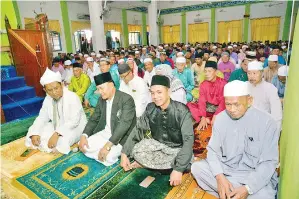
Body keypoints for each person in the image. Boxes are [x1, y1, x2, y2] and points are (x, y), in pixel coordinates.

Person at [191, 80, 279, 199]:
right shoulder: (221, 119)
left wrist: (247, 188)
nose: (232, 109)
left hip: (252, 175)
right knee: (197, 168)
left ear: (249, 101)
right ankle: (230, 192)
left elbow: (268, 162)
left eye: (237, 104)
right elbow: (213, 151)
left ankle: (228, 193)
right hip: (227, 171)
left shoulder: (268, 123)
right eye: (228, 104)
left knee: (265, 196)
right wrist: (219, 177)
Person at [121, 75, 194, 186]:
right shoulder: (150, 108)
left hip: (176, 149)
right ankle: (166, 167)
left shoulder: (182, 111)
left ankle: (169, 166)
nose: (155, 96)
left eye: (159, 92)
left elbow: (188, 141)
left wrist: (178, 169)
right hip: (158, 145)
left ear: (168, 91)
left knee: (187, 161)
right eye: (152, 93)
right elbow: (138, 129)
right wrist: (124, 153)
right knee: (136, 150)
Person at [79, 72, 136, 166]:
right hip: (106, 133)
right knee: (83, 144)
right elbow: (94, 119)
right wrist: (84, 135)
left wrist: (107, 146)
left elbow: (124, 125)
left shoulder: (126, 99)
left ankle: (104, 151)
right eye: (98, 89)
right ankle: (99, 151)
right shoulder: (101, 99)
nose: (100, 92)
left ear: (111, 85)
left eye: (101, 88)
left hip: (123, 136)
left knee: (108, 157)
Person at [25, 68, 87, 154]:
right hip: (57, 125)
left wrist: (57, 134)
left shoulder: (72, 97)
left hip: (76, 127)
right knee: (32, 131)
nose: (54, 92)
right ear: (45, 90)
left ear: (61, 85)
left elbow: (74, 122)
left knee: (63, 140)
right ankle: (45, 142)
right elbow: (42, 117)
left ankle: (54, 145)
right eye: (50, 90)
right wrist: (35, 133)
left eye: (56, 88)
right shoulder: (48, 99)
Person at [187, 61, 226, 129]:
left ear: (216, 72)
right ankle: (205, 120)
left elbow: (223, 102)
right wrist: (203, 117)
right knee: (189, 105)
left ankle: (209, 120)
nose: (207, 74)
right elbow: (202, 102)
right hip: (207, 109)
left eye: (209, 71)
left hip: (219, 110)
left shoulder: (223, 83)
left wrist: (216, 115)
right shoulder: (203, 84)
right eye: (205, 71)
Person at [247, 60, 282, 130]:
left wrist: (275, 132)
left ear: (262, 73)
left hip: (264, 126)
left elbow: (277, 114)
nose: (251, 76)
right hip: (247, 125)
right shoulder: (244, 86)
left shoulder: (270, 88)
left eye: (254, 73)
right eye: (249, 73)